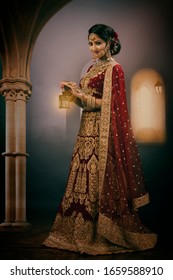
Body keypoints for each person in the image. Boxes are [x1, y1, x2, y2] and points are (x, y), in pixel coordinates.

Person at [43, 24, 157, 255]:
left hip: (102, 135)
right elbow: (85, 103)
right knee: (81, 178)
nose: (93, 48)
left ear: (110, 44)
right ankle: (79, 229)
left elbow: (112, 105)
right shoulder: (92, 69)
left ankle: (102, 231)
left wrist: (80, 95)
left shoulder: (115, 69)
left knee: (98, 179)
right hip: (85, 130)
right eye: (90, 43)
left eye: (98, 43)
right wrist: (72, 94)